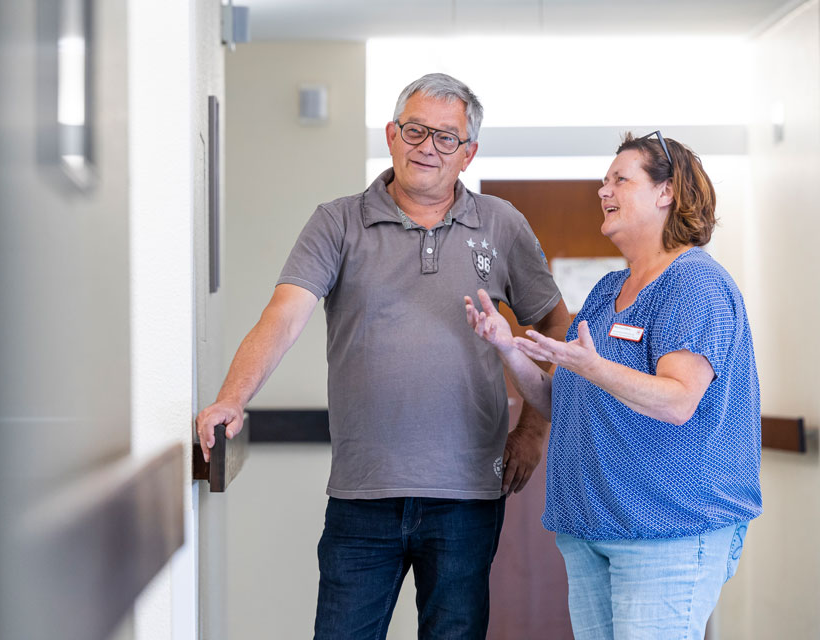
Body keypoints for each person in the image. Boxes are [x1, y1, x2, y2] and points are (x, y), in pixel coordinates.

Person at [196, 73, 569, 639]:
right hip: (362, 494)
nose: (428, 146)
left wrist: (534, 431)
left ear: (468, 154)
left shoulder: (503, 225)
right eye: (416, 130)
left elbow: (558, 335)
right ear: (393, 135)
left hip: (468, 495)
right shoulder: (336, 221)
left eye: (447, 137)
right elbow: (284, 316)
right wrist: (231, 398)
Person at [465, 131, 762, 640]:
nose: (603, 191)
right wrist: (506, 345)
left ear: (666, 192)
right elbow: (559, 402)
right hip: (592, 530)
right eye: (603, 181)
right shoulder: (607, 291)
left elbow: (678, 400)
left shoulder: (694, 284)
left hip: (667, 530)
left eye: (620, 179)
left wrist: (593, 367)